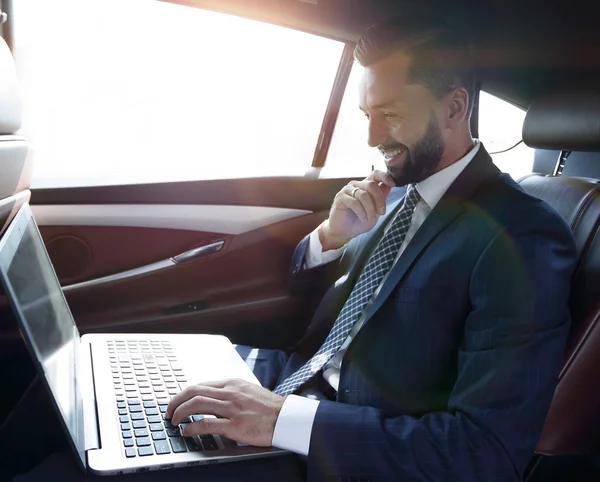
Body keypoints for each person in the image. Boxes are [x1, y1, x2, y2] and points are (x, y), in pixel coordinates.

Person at [12, 16, 576, 482]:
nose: (374, 135)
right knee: (70, 386)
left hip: (336, 451)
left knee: (64, 474)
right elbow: (336, 323)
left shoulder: (524, 237)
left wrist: (283, 420)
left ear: (454, 109)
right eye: (367, 113)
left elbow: (484, 453)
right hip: (280, 384)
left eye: (393, 113)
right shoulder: (403, 198)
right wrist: (331, 240)